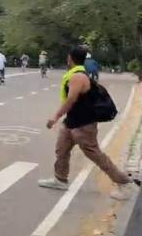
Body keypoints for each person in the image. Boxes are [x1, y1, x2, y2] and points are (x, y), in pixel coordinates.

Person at [38, 46, 137, 200]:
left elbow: (71, 99)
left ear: (70, 58)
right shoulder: (75, 74)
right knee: (61, 149)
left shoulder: (78, 77)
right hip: (71, 121)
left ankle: (124, 182)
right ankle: (60, 179)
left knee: (95, 155)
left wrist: (55, 117)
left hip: (83, 124)